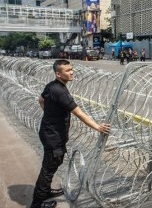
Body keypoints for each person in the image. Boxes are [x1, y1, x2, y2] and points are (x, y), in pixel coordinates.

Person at [30, 60, 111, 208]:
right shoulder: (60, 91)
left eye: (71, 69)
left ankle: (45, 192)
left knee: (54, 163)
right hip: (53, 136)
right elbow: (79, 114)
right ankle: (37, 203)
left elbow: (41, 100)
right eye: (67, 70)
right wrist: (98, 127)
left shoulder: (52, 86)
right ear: (58, 74)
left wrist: (49, 116)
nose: (72, 72)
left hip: (50, 132)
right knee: (49, 168)